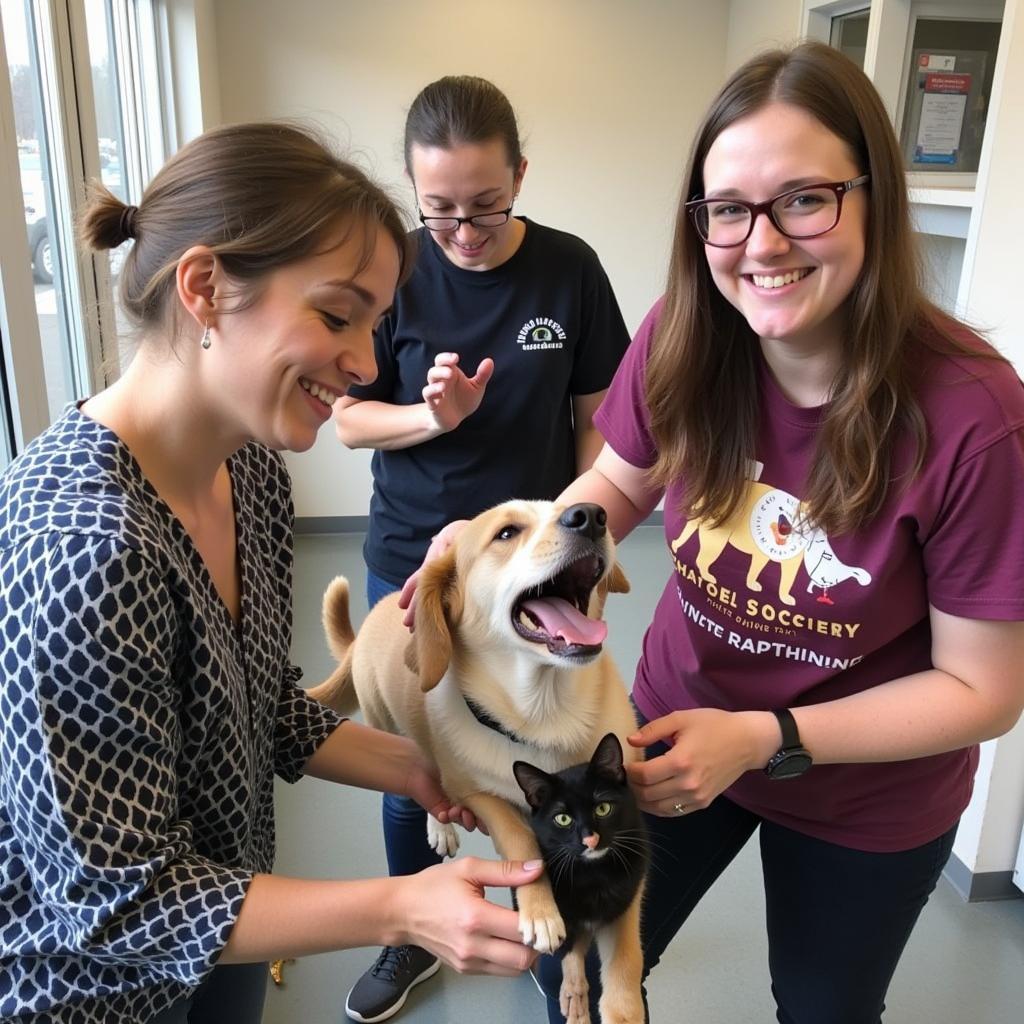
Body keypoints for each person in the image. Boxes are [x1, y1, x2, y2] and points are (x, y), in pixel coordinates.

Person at [407, 42, 1024, 1024]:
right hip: (667, 732)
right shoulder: (684, 335)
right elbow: (615, 482)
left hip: (864, 792)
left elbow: (982, 690)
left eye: (805, 198)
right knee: (569, 957)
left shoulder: (971, 414)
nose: (762, 243)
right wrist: (503, 557)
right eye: (727, 208)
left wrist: (765, 737)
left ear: (874, 197)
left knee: (822, 1008)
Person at [0, 121, 547, 1024]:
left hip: (229, 921)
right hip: (94, 990)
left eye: (374, 323)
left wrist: (419, 769)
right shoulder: (84, 549)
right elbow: (118, 902)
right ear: (207, 288)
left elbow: (252, 706)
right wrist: (401, 904)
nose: (369, 363)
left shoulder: (248, 466)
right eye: (338, 315)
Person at [333, 76, 630, 1022]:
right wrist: (430, 414)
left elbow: (599, 421)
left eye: (487, 206)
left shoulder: (570, 269)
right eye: (441, 211)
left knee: (557, 767)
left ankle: (560, 950)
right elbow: (345, 420)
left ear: (521, 176)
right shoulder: (400, 273)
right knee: (422, 766)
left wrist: (588, 538)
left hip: (542, 566)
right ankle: (407, 936)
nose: (464, 231)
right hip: (421, 556)